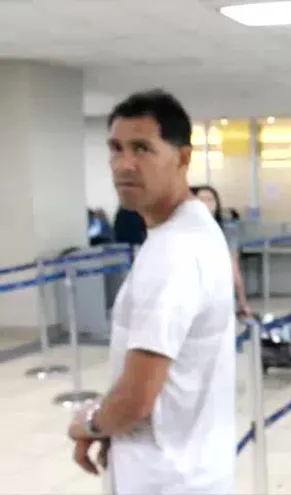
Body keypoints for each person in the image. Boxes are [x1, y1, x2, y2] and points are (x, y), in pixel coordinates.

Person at [67, 89, 236, 495]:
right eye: (116, 148)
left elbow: (137, 398)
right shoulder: (191, 232)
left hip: (165, 479)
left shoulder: (174, 253)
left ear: (182, 158)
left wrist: (90, 424)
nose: (124, 164)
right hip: (193, 466)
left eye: (142, 148)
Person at [191, 185, 252, 317]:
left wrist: (242, 301)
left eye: (210, 199)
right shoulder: (186, 227)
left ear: (217, 204)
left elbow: (233, 265)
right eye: (201, 199)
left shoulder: (226, 229)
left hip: (218, 288)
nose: (206, 203)